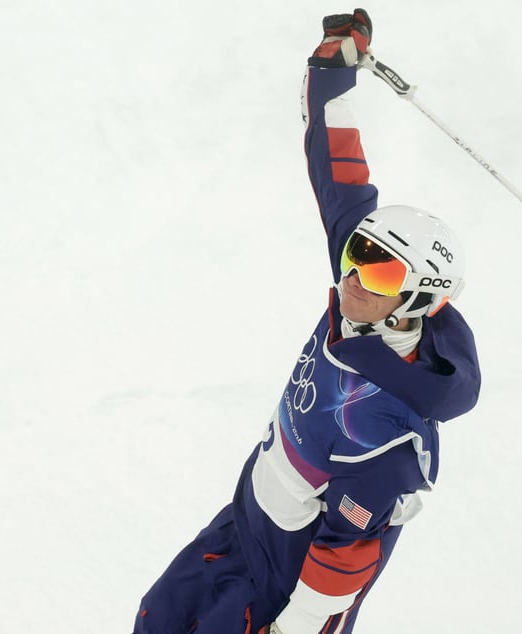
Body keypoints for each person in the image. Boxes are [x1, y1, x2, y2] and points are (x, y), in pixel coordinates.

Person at [133, 8, 481, 633]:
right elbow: (339, 172)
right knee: (158, 619)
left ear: (419, 299)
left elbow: (346, 558)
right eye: (355, 257)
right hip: (247, 518)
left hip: (289, 580)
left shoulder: (390, 431)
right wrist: (331, 76)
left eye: (377, 273)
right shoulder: (366, 297)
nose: (352, 276)